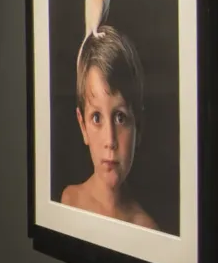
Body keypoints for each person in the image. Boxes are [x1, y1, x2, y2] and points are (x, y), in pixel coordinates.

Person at [60, 27, 157, 229]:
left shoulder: (146, 229)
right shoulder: (69, 200)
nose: (110, 141)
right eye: (96, 117)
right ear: (82, 126)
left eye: (120, 117)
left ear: (138, 124)